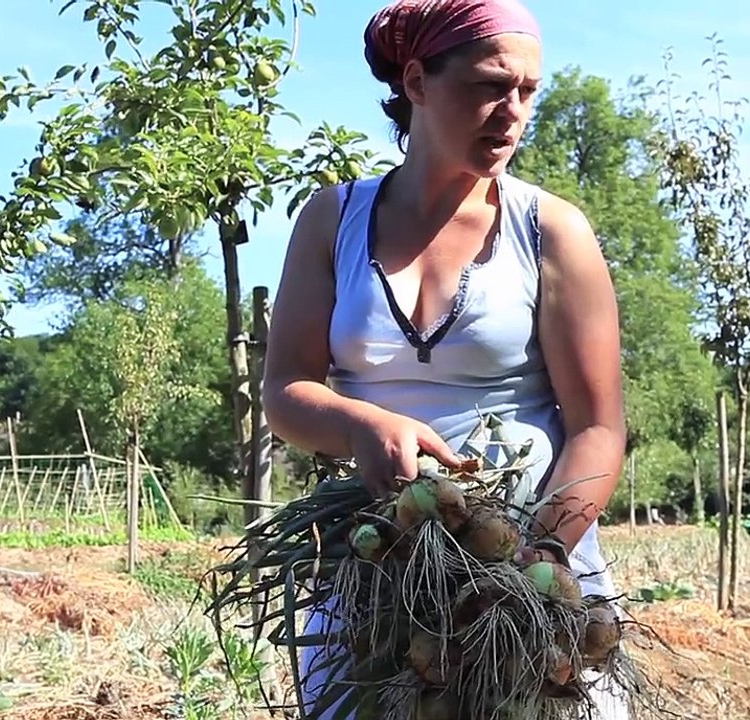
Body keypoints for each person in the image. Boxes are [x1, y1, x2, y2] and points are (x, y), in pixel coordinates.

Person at [261, 0, 630, 717]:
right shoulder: (332, 218)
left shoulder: (551, 229)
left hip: (526, 562)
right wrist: (358, 424)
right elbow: (286, 388)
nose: (513, 111)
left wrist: (536, 559)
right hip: (382, 563)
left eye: (528, 92)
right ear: (418, 81)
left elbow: (598, 428)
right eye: (491, 85)